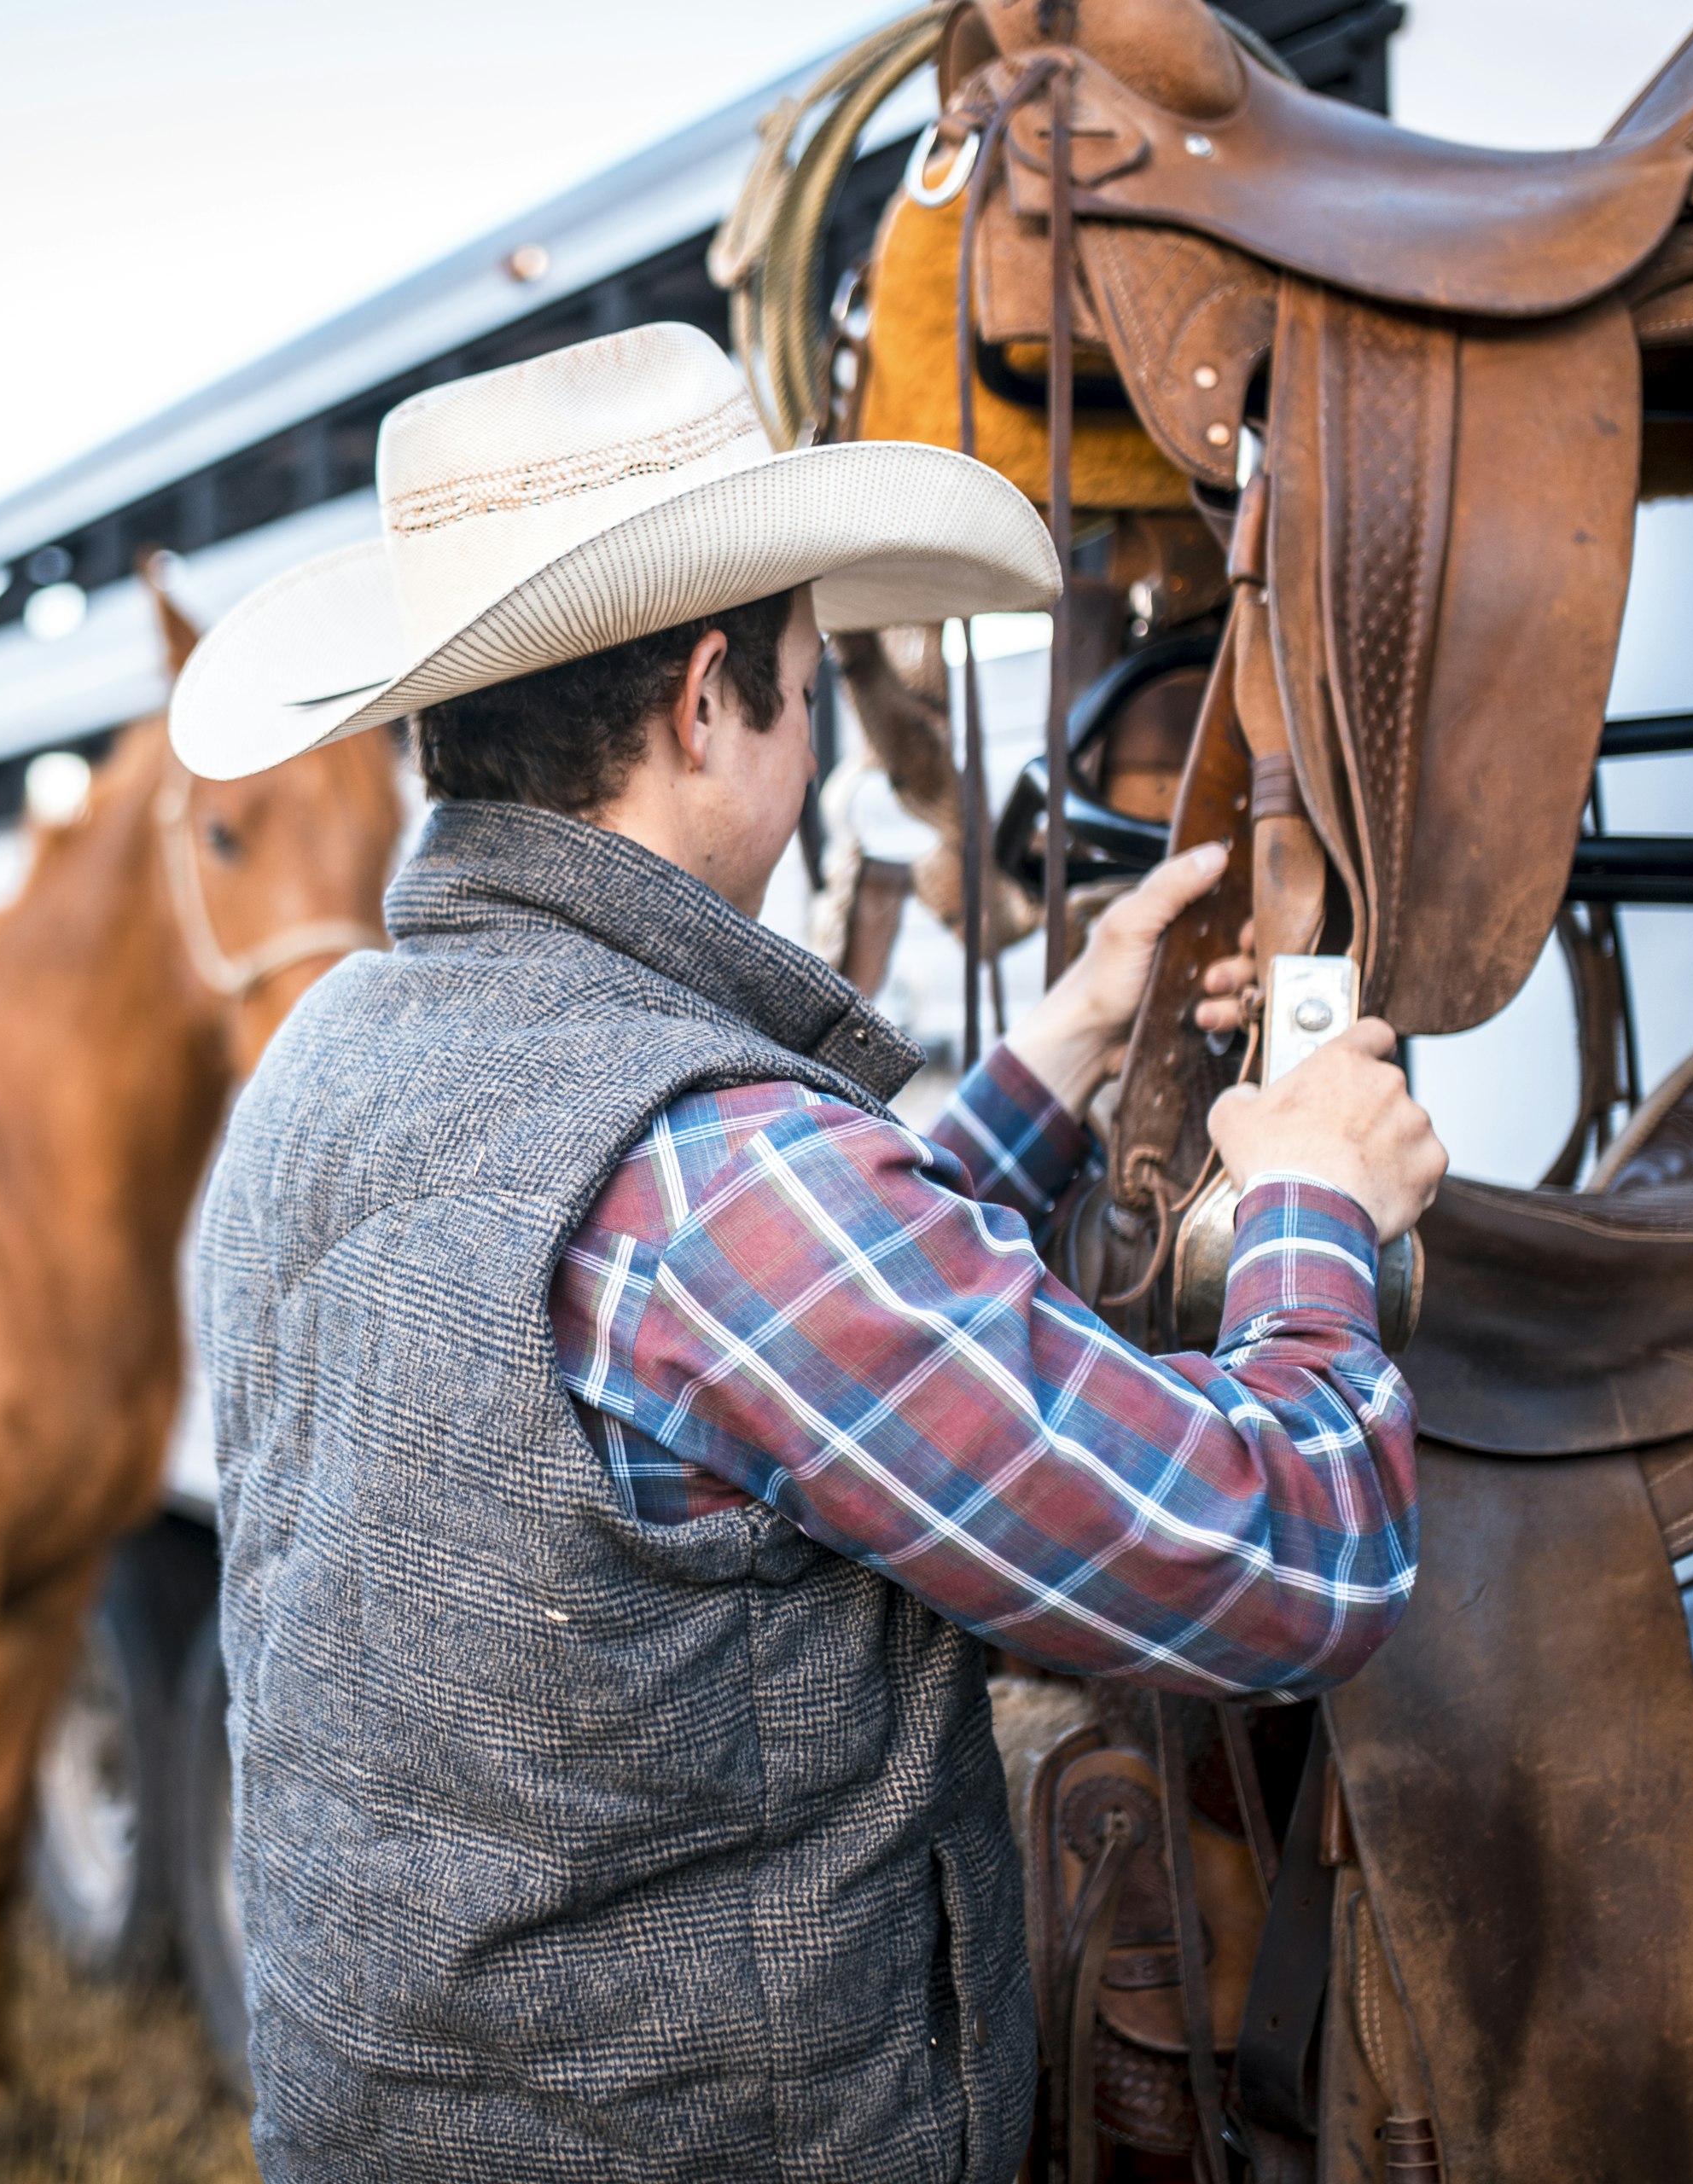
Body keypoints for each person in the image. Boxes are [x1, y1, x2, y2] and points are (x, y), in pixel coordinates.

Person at [167, 322, 1446, 2183]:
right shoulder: (722, 1181)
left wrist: (1059, 1058)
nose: (812, 716)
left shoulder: (329, 1063)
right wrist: (1318, 1197)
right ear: (707, 702)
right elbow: (1292, 1554)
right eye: (807, 677)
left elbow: (723, 1357)